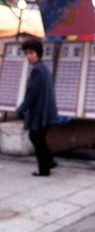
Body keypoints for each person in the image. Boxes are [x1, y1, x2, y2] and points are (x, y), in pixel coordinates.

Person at [17, 38, 58, 177]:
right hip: (45, 111)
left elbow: (32, 94)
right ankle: (49, 161)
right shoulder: (43, 68)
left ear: (38, 53)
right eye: (27, 53)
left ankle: (44, 169)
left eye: (31, 52)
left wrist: (21, 109)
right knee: (39, 138)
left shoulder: (37, 70)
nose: (29, 55)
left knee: (35, 137)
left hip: (40, 113)